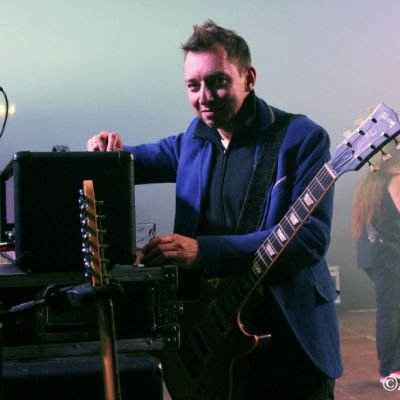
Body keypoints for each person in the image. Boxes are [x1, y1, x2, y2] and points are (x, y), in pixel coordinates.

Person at [87, 20, 342, 399]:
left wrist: (202, 250)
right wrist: (105, 150)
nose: (204, 97)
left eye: (217, 81)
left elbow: (310, 240)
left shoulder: (302, 138)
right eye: (193, 86)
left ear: (249, 78)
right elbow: (127, 164)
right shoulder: (193, 138)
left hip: (289, 336)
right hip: (213, 338)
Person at [352, 142, 400, 384]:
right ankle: (393, 369)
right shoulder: (396, 180)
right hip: (391, 256)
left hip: (373, 256)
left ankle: (389, 368)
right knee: (391, 312)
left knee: (388, 311)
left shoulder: (370, 182)